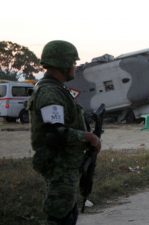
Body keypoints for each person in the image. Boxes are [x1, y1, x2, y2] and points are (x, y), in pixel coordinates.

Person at [28, 40, 101, 225]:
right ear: (63, 63)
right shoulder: (50, 92)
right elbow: (55, 133)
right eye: (73, 63)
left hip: (66, 162)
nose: (74, 67)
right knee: (60, 216)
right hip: (58, 163)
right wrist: (88, 137)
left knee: (68, 212)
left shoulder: (58, 89)